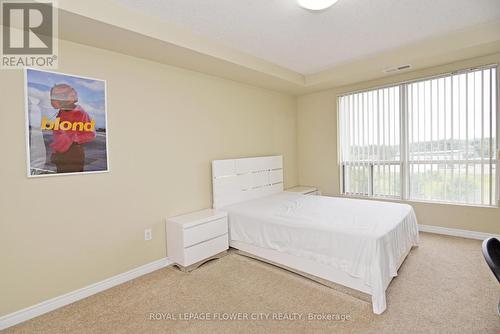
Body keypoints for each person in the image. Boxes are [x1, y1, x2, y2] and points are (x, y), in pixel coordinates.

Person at [49, 84, 95, 173]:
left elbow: (90, 134)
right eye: (52, 97)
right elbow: (58, 135)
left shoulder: (80, 113)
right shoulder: (61, 112)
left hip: (73, 153)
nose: (52, 101)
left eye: (55, 97)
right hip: (60, 154)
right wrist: (56, 152)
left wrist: (72, 138)